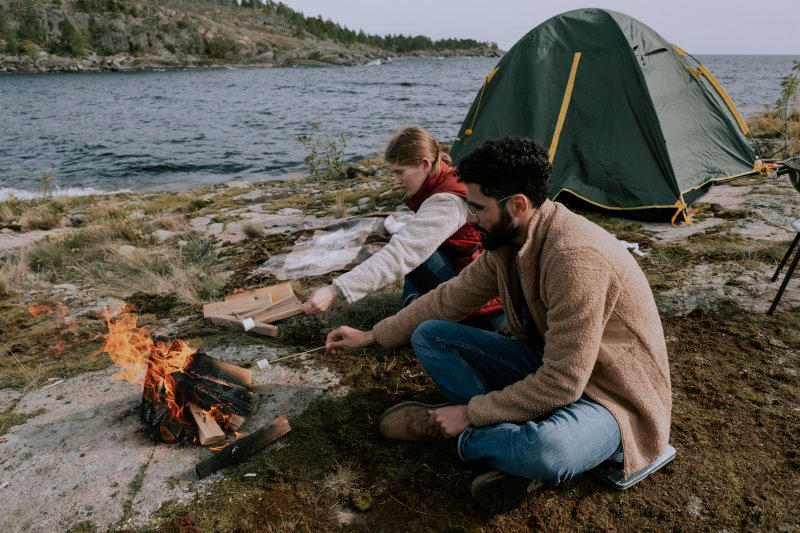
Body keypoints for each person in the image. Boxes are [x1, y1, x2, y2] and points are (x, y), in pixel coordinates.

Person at [325, 137, 672, 513]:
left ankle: (468, 437)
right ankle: (505, 441)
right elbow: (449, 298)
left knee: (547, 449)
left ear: (517, 205)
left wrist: (469, 413)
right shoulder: (510, 240)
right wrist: (374, 335)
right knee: (430, 335)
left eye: (477, 207)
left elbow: (564, 382)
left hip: (612, 393)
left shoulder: (575, 258)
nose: (471, 218)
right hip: (551, 364)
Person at [302, 125, 502, 329]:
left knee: (409, 248)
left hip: (485, 309)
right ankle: (415, 305)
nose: (397, 181)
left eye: (400, 172)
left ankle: (421, 313)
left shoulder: (447, 201)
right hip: (477, 284)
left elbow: (401, 254)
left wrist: (335, 291)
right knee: (410, 238)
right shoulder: (449, 178)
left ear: (424, 164)